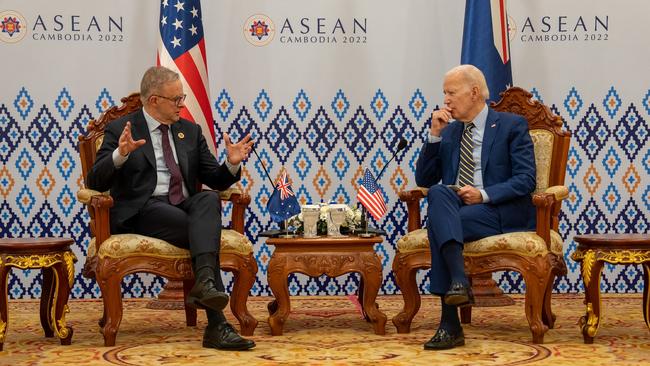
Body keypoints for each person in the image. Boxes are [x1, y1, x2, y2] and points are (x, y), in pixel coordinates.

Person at [87, 66, 256, 351]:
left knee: (208, 199)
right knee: (205, 232)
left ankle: (205, 287)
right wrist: (120, 154)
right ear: (154, 100)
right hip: (143, 210)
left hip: (184, 206)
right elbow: (95, 180)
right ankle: (217, 325)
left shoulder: (189, 130)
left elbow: (214, 179)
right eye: (176, 99)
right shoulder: (121, 130)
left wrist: (232, 163)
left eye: (183, 97)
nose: (182, 104)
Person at [415, 65, 536, 350]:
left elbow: (526, 180)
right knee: (438, 191)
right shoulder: (449, 132)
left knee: (437, 225)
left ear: (473, 92)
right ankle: (460, 281)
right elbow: (424, 179)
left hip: (499, 210)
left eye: (451, 92)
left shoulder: (511, 125)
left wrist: (482, 194)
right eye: (444, 93)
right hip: (459, 210)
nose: (446, 100)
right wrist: (434, 135)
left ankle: (449, 323)